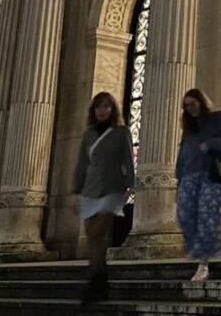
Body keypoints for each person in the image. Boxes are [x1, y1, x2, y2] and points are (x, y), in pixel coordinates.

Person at [72, 91, 135, 303]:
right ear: (94, 110)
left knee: (98, 232)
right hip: (91, 189)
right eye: (99, 106)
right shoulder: (89, 134)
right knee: (92, 235)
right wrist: (77, 186)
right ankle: (99, 278)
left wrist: (130, 186)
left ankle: (95, 279)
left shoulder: (121, 132)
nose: (102, 110)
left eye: (106, 106)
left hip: (113, 188)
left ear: (113, 109)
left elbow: (128, 159)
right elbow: (83, 162)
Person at [176, 88, 221, 281]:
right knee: (185, 215)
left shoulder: (218, 117)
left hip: (212, 173)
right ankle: (200, 252)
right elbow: (183, 153)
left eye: (193, 104)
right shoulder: (189, 127)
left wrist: (211, 144)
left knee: (207, 214)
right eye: (186, 106)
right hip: (189, 175)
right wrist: (179, 179)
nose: (190, 108)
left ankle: (203, 264)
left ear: (201, 102)